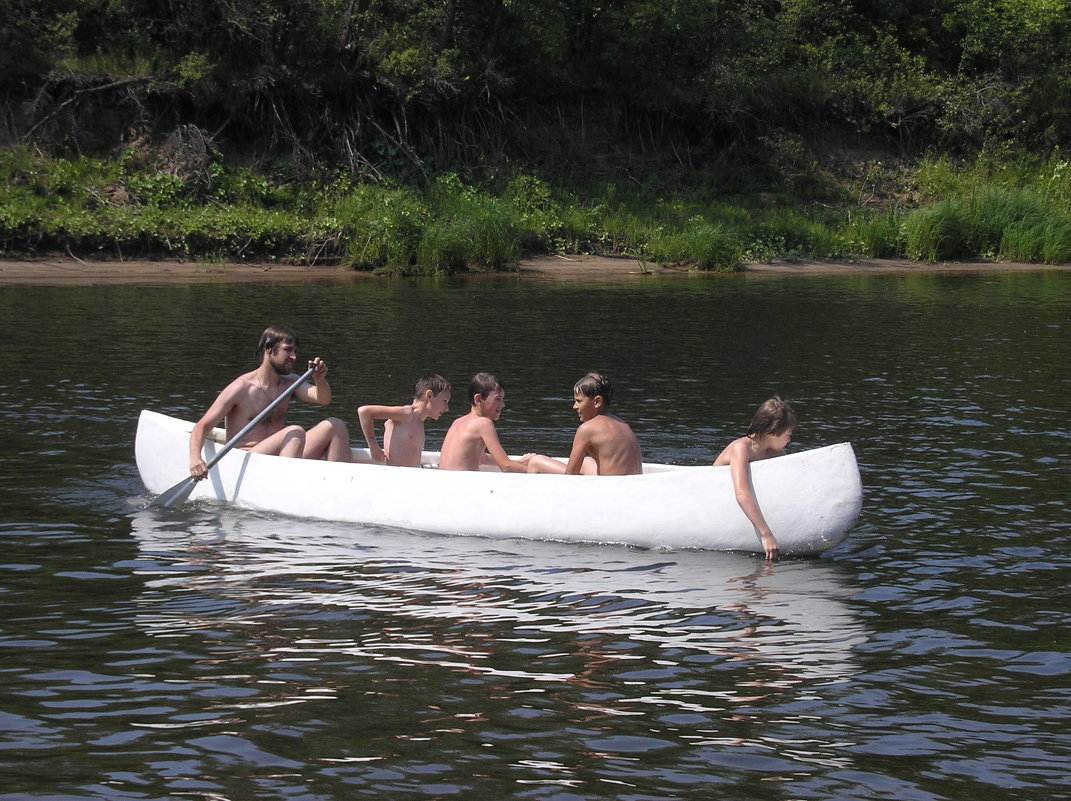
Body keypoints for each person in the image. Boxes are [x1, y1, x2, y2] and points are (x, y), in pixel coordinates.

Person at [188, 324, 351, 480]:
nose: (293, 357)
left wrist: (319, 380)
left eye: (295, 351)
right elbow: (202, 426)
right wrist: (195, 459)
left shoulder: (291, 383)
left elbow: (323, 399)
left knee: (336, 426)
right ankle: (282, 487)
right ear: (268, 349)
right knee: (294, 431)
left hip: (282, 455)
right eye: (287, 350)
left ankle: (337, 486)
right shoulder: (241, 388)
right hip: (247, 461)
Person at [713, 396, 797, 560]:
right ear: (771, 432)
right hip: (712, 497)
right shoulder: (741, 448)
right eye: (787, 434)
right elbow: (742, 494)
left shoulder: (776, 453)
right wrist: (766, 534)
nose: (789, 440)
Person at [528, 372, 643, 476]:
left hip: (609, 490)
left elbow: (570, 475)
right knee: (587, 462)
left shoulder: (587, 429)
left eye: (579, 401)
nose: (574, 406)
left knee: (535, 462)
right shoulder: (623, 425)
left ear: (597, 402)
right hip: (631, 487)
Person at [438, 372, 536, 472]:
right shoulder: (484, 423)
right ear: (478, 399)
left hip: (446, 483)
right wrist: (537, 472)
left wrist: (519, 462)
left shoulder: (457, 422)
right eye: (498, 399)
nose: (503, 404)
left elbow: (482, 459)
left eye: (502, 399)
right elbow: (506, 467)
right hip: (462, 485)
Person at [356, 373, 452, 467]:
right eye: (445, 401)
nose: (447, 408)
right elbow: (365, 412)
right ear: (429, 395)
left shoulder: (419, 421)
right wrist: (374, 447)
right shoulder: (407, 414)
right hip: (398, 477)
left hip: (409, 477)